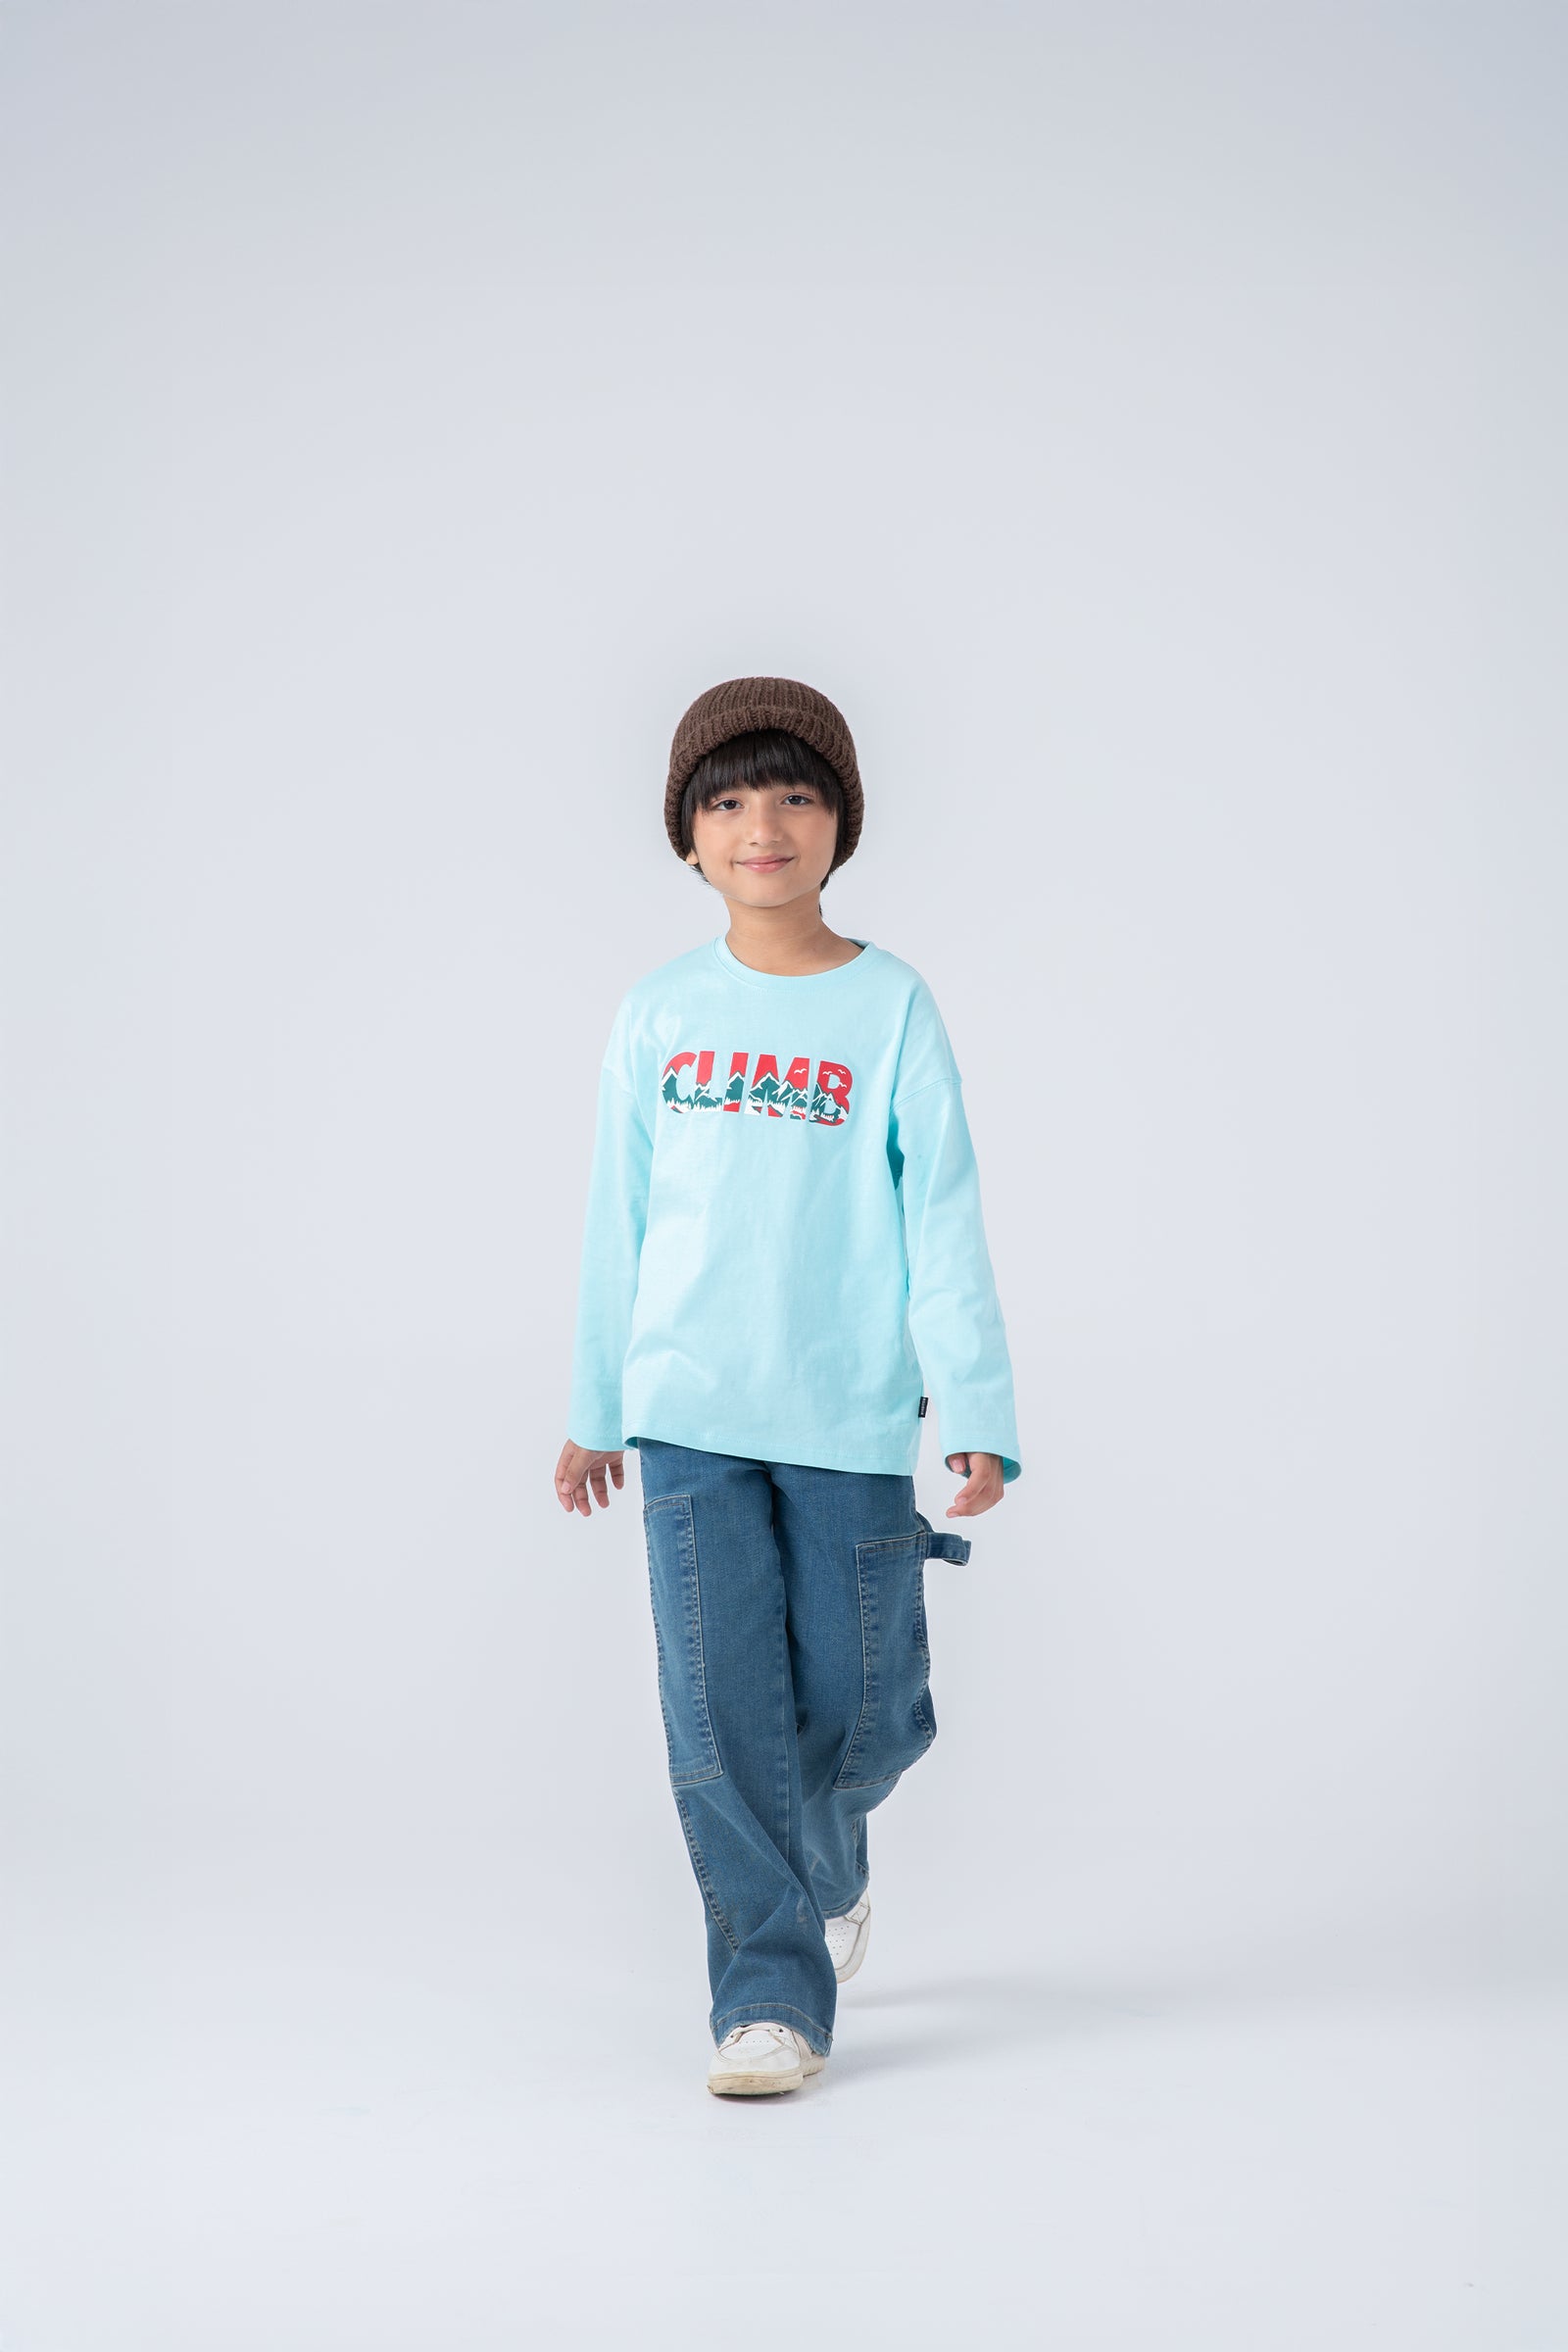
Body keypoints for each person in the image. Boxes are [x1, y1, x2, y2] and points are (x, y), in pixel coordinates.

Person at [554, 675, 1021, 2098]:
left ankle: (831, 1852)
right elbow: (618, 1221)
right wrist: (593, 1409)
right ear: (690, 836)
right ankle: (768, 1996)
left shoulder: (891, 1007)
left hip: (847, 1414)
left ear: (840, 824)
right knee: (720, 1718)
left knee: (869, 1708)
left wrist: (977, 1409)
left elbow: (944, 1218)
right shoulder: (659, 1014)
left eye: (796, 794)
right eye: (730, 800)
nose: (764, 824)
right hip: (687, 1415)